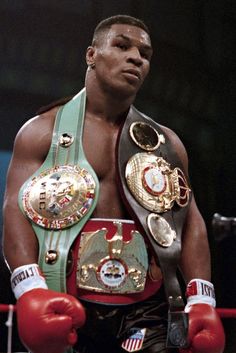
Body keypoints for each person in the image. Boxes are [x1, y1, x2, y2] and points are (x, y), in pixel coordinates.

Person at [2, 15, 225, 353]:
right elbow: (16, 211)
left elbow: (189, 221)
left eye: (145, 53)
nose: (136, 57)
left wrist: (201, 299)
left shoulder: (167, 143)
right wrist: (29, 289)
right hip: (66, 297)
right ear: (92, 55)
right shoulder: (41, 132)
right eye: (122, 46)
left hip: (148, 308)